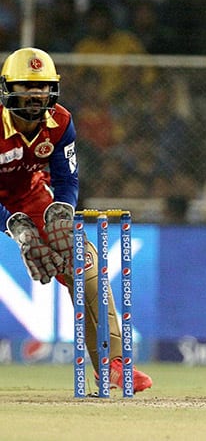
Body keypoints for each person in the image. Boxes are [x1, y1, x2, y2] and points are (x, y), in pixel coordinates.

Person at [0, 47, 152, 392]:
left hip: (29, 193)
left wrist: (61, 212)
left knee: (83, 261)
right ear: (9, 88)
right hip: (6, 205)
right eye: (26, 86)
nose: (36, 94)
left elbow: (66, 181)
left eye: (41, 86)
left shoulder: (61, 121)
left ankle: (112, 364)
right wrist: (14, 225)